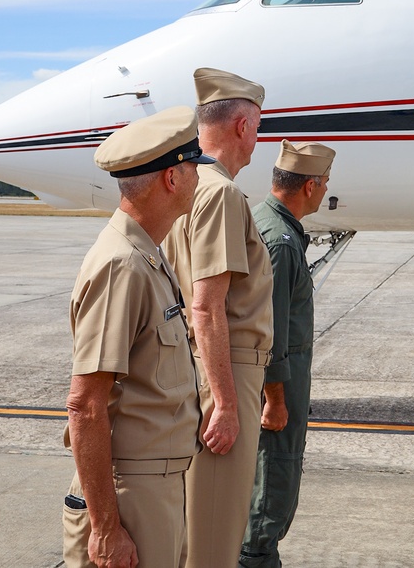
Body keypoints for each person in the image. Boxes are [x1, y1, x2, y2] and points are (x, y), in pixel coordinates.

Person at [62, 106, 211, 568]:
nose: (198, 179)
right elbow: (85, 405)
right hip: (131, 493)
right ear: (171, 178)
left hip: (155, 485)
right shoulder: (122, 265)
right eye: (193, 169)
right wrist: (106, 528)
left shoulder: (147, 254)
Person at [163, 68, 274, 568]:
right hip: (226, 371)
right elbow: (207, 305)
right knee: (213, 541)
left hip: (197, 367)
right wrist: (226, 403)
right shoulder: (222, 193)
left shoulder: (189, 187)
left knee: (193, 533)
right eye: (259, 126)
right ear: (243, 127)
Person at [240, 140, 336, 567]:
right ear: (311, 186)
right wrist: (276, 400)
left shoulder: (263, 220)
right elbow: (271, 332)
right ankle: (256, 555)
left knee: (264, 471)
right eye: (326, 182)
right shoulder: (279, 241)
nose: (326, 190)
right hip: (278, 379)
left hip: (267, 376)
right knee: (275, 472)